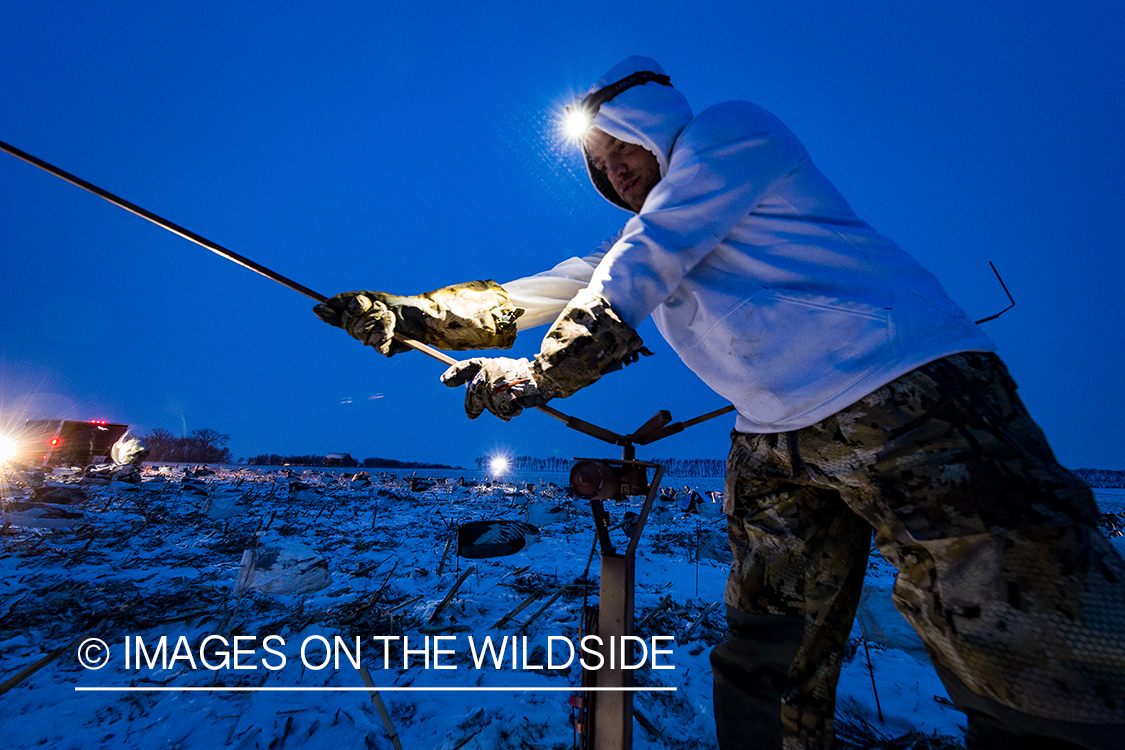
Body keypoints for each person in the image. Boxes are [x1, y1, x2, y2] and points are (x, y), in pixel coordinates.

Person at [315, 57, 1125, 749]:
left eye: (617, 148)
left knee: (1024, 630)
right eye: (596, 167)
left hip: (916, 398)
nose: (610, 171)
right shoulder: (633, 244)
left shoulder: (733, 134)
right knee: (765, 648)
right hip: (774, 438)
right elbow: (540, 293)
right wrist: (411, 314)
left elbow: (640, 265)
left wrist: (539, 375)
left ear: (651, 120)